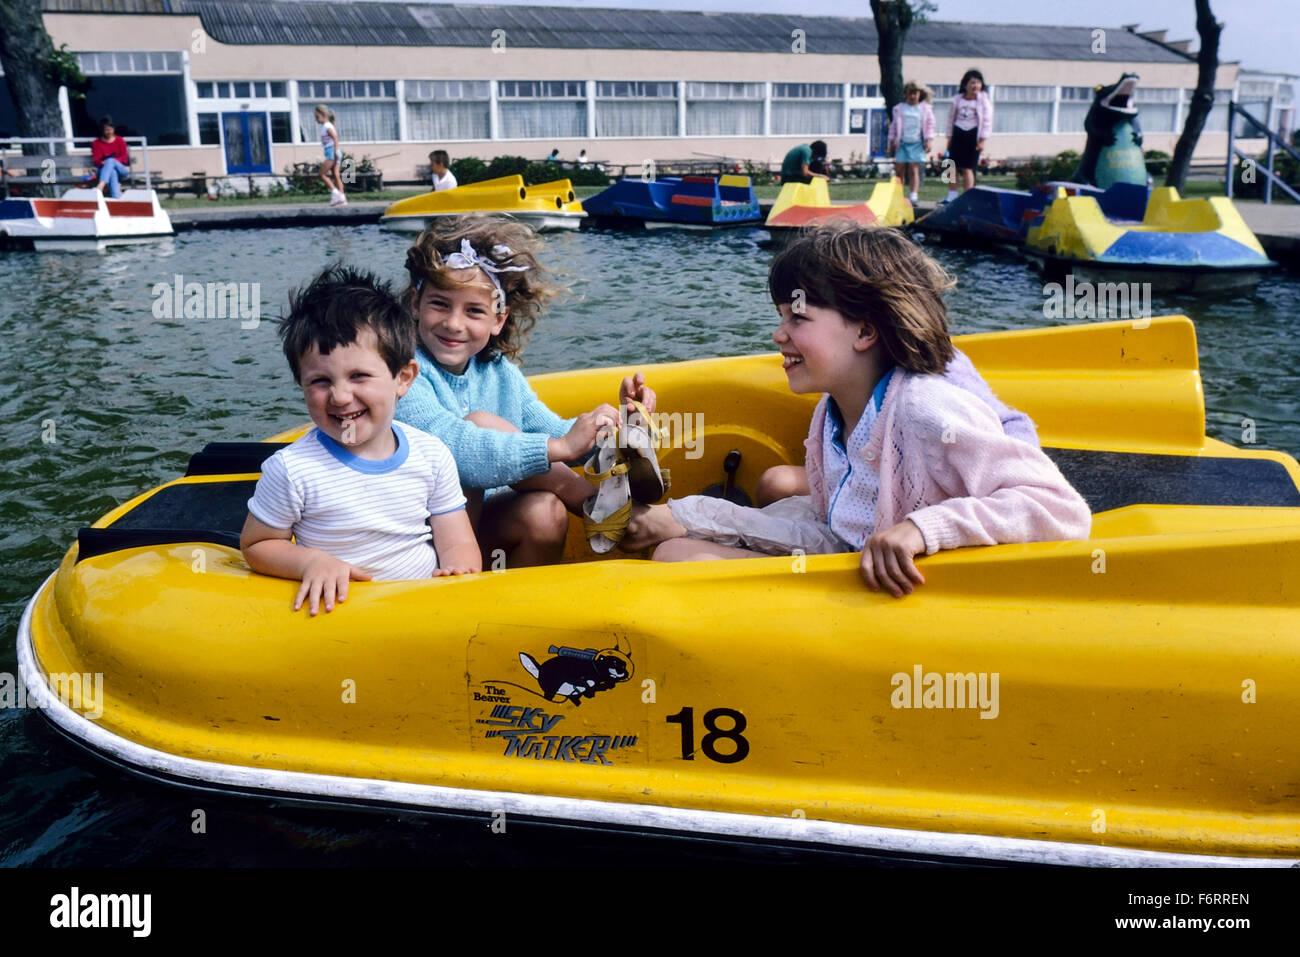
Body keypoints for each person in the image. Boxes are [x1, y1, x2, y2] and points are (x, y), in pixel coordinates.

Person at [620, 224, 1091, 597]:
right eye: (780, 316)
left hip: (913, 595)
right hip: (857, 567)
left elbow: (1059, 509)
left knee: (678, 559)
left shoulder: (924, 408)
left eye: (797, 318)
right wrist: (689, 516)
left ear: (864, 333)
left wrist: (921, 529)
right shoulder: (832, 413)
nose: (778, 335)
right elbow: (836, 536)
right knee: (675, 547)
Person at [395, 215, 657, 570]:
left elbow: (553, 431)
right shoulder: (402, 374)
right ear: (416, 304)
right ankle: (601, 508)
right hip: (430, 538)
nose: (453, 323)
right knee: (481, 424)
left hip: (480, 534)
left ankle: (514, 614)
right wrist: (561, 449)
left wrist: (614, 428)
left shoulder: (499, 372)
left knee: (544, 512)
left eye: (474, 310)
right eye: (440, 304)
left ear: (498, 320)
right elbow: (457, 450)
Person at [240, 265, 480, 615]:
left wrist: (460, 571)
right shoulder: (292, 470)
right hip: (349, 624)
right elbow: (257, 544)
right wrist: (310, 562)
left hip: (425, 613)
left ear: (403, 378)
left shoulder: (431, 454)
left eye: (358, 376)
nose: (339, 396)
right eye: (320, 381)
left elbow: (457, 541)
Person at [945, 69, 992, 202]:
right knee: (951, 165)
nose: (975, 86)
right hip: (958, 133)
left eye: (978, 82)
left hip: (973, 135)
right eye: (972, 83)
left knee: (967, 167)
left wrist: (982, 140)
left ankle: (967, 197)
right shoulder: (957, 100)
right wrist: (949, 137)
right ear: (965, 85)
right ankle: (951, 195)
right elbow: (950, 119)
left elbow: (987, 122)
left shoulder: (983, 101)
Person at [888, 82, 935, 205]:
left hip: (917, 143)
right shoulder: (899, 108)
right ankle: (898, 195)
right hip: (902, 143)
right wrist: (892, 141)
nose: (912, 96)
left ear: (920, 94)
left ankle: (913, 195)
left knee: (913, 169)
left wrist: (929, 140)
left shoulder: (925, 109)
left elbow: (930, 125)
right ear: (905, 94)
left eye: (915, 93)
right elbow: (893, 126)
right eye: (909, 93)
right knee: (899, 169)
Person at [315, 104, 347, 206]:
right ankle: (342, 198)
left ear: (323, 115)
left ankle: (335, 192)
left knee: (321, 174)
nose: (316, 119)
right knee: (336, 175)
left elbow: (335, 138)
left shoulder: (327, 126)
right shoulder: (328, 125)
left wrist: (334, 151)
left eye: (317, 117)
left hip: (332, 152)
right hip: (335, 152)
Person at [91, 116, 130, 198]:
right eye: (106, 130)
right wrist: (104, 163)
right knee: (112, 172)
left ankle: (101, 185)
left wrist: (110, 161)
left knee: (110, 161)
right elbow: (97, 160)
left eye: (111, 129)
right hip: (104, 170)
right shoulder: (96, 143)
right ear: (102, 130)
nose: (109, 132)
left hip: (121, 169)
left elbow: (124, 158)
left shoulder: (120, 140)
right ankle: (116, 198)